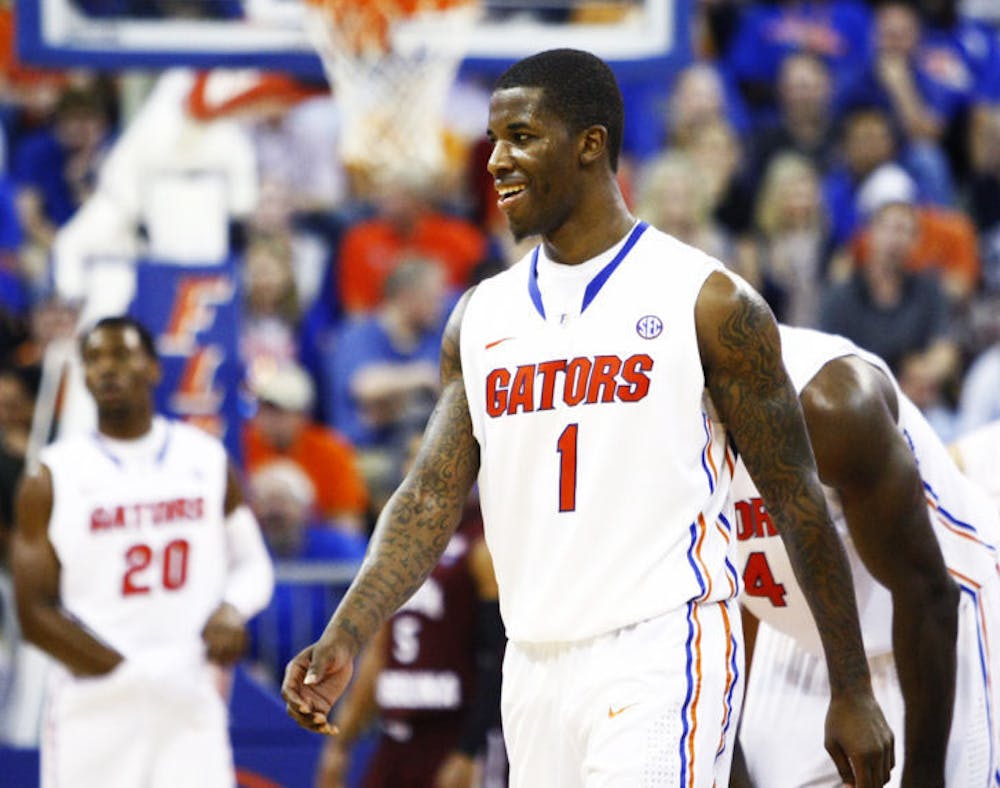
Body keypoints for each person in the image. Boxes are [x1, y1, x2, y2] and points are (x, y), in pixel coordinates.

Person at [282, 48, 893, 787]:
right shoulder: (481, 316)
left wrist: (851, 686)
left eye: (522, 137)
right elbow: (429, 495)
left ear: (590, 144)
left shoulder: (706, 300)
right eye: (495, 140)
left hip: (660, 647)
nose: (498, 161)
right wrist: (350, 625)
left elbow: (796, 498)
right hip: (534, 662)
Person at [731, 324, 1000, 787]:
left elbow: (930, 595)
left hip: (940, 623)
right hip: (802, 638)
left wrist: (924, 775)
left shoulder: (828, 402)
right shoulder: (642, 427)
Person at [12, 315, 275, 787]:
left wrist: (233, 609)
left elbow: (254, 563)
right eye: (93, 359)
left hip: (188, 693)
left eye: (121, 355)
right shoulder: (51, 475)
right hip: (96, 702)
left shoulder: (205, 458)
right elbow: (33, 612)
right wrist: (126, 675)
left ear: (153, 368)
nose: (106, 369)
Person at [315, 490, 505, 788]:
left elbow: (499, 657)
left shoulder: (483, 542)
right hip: (396, 734)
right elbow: (378, 652)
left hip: (452, 729)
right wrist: (340, 741)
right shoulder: (397, 543)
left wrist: (467, 751)